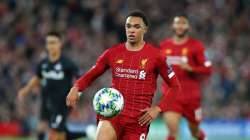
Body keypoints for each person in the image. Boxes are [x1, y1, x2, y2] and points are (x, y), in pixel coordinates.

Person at [66, 10, 181, 140]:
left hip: (138, 121)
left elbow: (175, 86)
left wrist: (158, 109)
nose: (131, 30)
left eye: (136, 27)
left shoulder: (156, 56)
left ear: (145, 30)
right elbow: (92, 74)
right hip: (112, 114)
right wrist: (76, 87)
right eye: (128, 26)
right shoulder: (112, 53)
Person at [17, 31, 81, 140]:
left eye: (53, 42)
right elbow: (37, 77)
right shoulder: (43, 63)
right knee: (41, 128)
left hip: (62, 103)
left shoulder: (68, 64)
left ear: (60, 44)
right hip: (46, 101)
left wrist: (77, 94)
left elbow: (79, 79)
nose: (51, 45)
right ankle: (85, 134)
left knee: (56, 133)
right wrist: (26, 89)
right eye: (49, 43)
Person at [160, 14, 212, 140]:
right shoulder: (164, 46)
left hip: (191, 97)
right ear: (173, 26)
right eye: (178, 23)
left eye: (183, 23)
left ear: (188, 26)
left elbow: (208, 68)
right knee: (172, 131)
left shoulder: (196, 46)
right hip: (171, 95)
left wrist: (191, 68)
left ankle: (201, 136)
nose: (180, 26)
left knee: (195, 132)